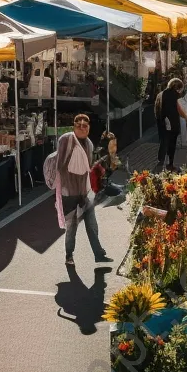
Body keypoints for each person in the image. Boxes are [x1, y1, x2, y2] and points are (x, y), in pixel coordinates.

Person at [56, 114, 110, 266]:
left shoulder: (89, 144)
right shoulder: (66, 140)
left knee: (92, 224)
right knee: (71, 226)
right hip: (70, 192)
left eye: (85, 126)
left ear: (89, 128)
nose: (82, 128)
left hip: (85, 191)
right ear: (74, 126)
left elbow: (87, 167)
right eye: (79, 125)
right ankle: (69, 256)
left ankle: (98, 254)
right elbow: (60, 165)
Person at [155, 78, 187, 171]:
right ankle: (170, 164)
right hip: (172, 124)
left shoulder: (161, 94)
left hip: (162, 123)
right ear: (178, 88)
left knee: (163, 142)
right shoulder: (176, 96)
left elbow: (157, 110)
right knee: (171, 144)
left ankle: (160, 162)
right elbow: (178, 110)